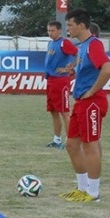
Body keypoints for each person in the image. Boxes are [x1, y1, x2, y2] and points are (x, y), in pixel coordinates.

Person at [59, 8, 110, 203]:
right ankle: (82, 188)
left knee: (91, 145)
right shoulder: (82, 47)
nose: (68, 29)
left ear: (82, 25)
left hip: (92, 102)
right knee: (72, 144)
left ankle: (93, 192)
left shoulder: (94, 44)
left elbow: (107, 70)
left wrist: (92, 91)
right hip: (81, 101)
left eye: (70, 25)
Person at [44, 20, 77, 148]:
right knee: (53, 111)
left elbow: (78, 53)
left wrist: (69, 68)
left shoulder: (65, 43)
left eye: (52, 30)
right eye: (48, 30)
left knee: (64, 112)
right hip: (51, 80)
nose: (50, 33)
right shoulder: (51, 43)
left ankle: (70, 141)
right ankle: (57, 139)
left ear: (59, 31)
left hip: (61, 81)